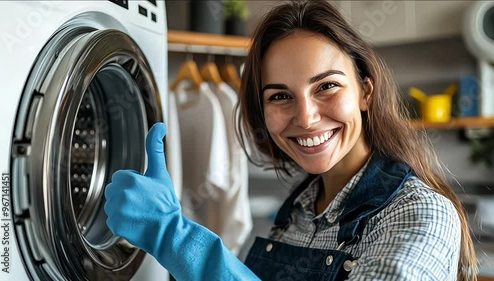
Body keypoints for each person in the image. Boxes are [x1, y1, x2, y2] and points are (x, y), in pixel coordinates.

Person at [104, 1, 477, 280]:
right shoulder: (296, 213)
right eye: (280, 96)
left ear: (365, 91)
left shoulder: (419, 214)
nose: (306, 117)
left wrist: (172, 234)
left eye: (327, 86)